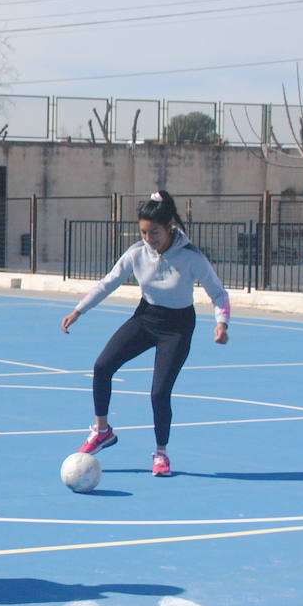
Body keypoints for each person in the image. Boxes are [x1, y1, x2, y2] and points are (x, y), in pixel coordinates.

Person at [61, 190, 231, 477]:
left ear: (168, 228)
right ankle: (102, 431)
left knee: (159, 392)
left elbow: (218, 293)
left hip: (177, 328)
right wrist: (79, 310)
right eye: (143, 232)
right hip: (146, 317)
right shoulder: (136, 253)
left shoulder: (191, 257)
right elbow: (108, 283)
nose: (148, 238)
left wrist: (221, 323)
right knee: (102, 366)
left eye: (154, 232)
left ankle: (161, 453)